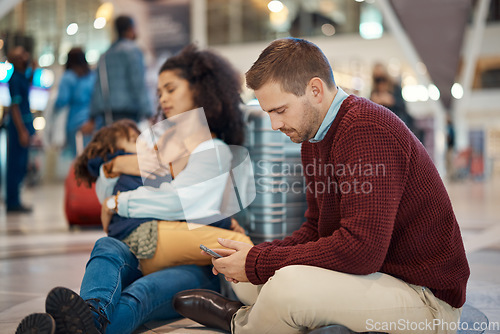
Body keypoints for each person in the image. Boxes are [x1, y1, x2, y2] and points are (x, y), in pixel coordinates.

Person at [173, 38, 470, 334]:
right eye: (268, 114)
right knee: (251, 283)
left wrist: (260, 261)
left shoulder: (367, 129)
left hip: (426, 300)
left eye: (280, 110)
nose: (274, 125)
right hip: (382, 277)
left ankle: (241, 324)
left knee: (285, 287)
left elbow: (362, 250)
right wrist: (256, 255)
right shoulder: (315, 137)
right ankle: (260, 316)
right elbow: (316, 229)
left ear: (315, 90)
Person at [15, 44, 251, 334]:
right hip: (144, 250)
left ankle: (66, 328)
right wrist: (115, 180)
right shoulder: (157, 147)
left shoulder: (214, 150)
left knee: (140, 295)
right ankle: (91, 317)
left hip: (197, 265)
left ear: (200, 90)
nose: (163, 98)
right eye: (159, 91)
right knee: (106, 247)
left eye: (171, 89)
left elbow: (178, 203)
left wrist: (119, 203)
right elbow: (105, 182)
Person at [73, 118, 249, 274]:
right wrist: (225, 222)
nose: (146, 144)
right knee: (240, 244)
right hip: (149, 237)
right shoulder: (143, 170)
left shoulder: (125, 174)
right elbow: (178, 208)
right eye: (135, 140)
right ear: (116, 151)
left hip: (136, 243)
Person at [85, 15, 153, 132]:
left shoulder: (105, 55)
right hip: (130, 114)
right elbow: (139, 84)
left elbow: (97, 88)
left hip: (108, 116)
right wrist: (149, 112)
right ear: (131, 29)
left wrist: (92, 117)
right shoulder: (133, 51)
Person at [5, 46, 36, 213]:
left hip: (24, 125)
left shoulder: (22, 76)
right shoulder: (15, 79)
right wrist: (22, 131)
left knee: (22, 163)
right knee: (15, 165)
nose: (25, 56)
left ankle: (14, 199)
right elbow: (15, 107)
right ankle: (12, 202)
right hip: (18, 128)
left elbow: (29, 83)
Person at [53, 47, 96, 157]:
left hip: (75, 124)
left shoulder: (68, 77)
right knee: (92, 159)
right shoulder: (92, 76)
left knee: (78, 161)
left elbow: (61, 101)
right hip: (93, 123)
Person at [370, 63, 418, 138]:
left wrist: (391, 101)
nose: (381, 82)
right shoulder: (374, 91)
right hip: (381, 125)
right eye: (378, 79)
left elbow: (403, 106)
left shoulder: (395, 87)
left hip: (396, 122)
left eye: (382, 78)